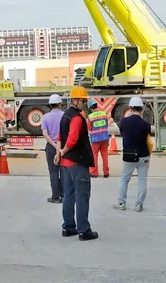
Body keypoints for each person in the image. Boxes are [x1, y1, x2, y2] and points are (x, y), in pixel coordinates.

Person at [56, 87, 97, 240]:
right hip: (77, 162)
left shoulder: (65, 115)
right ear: (75, 100)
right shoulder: (77, 118)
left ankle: (68, 227)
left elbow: (60, 135)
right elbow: (72, 139)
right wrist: (63, 151)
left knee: (69, 195)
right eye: (83, 100)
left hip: (66, 164)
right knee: (82, 196)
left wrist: (59, 152)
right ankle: (84, 230)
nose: (85, 103)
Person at [114, 96, 152, 212]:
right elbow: (148, 138)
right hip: (143, 155)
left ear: (130, 108)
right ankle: (139, 205)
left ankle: (121, 203)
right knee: (142, 181)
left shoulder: (123, 122)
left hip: (129, 155)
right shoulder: (146, 124)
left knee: (124, 180)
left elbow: (122, 133)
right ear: (141, 109)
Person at [41, 94, 64, 203]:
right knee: (64, 172)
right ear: (60, 104)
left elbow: (45, 134)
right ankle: (64, 195)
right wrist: (59, 147)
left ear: (50, 105)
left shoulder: (45, 117)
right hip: (64, 147)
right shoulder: (65, 116)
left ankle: (55, 197)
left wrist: (54, 145)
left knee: (53, 172)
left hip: (51, 147)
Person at [87, 99, 111, 179]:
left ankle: (94, 173)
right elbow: (106, 125)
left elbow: (89, 129)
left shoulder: (90, 117)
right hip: (105, 138)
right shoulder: (104, 114)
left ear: (90, 108)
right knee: (105, 156)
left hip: (95, 140)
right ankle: (106, 173)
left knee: (94, 156)